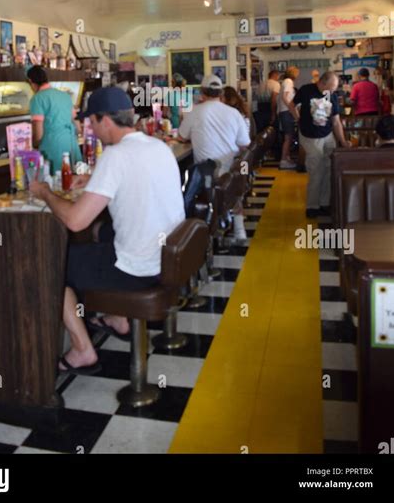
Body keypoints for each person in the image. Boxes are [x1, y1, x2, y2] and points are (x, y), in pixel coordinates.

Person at [30, 86, 185, 374]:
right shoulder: (156, 145)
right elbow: (134, 180)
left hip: (140, 268)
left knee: (51, 264)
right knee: (103, 231)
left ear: (105, 120)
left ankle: (82, 350)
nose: (89, 127)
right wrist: (92, 178)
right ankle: (118, 318)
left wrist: (45, 194)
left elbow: (75, 221)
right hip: (169, 258)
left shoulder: (115, 155)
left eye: (91, 121)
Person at [178, 75, 250, 238]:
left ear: (203, 92)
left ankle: (199, 230)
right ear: (221, 93)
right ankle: (239, 230)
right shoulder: (234, 113)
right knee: (233, 183)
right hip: (231, 174)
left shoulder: (195, 112)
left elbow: (182, 137)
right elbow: (245, 144)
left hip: (206, 177)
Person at [288, 71, 351, 218]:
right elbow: (291, 104)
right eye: (331, 87)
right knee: (316, 170)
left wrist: (342, 141)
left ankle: (324, 203)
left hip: (328, 135)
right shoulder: (306, 90)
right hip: (309, 136)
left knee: (329, 169)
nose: (334, 91)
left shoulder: (332, 96)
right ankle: (312, 206)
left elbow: (336, 121)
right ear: (322, 83)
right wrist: (298, 119)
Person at [27, 66, 82, 174]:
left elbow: (38, 135)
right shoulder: (64, 95)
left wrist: (34, 146)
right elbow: (76, 125)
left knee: (56, 185)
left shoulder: (37, 99)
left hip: (54, 148)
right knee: (75, 183)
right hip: (71, 145)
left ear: (30, 81)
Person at [277, 66, 300, 169]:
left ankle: (287, 158)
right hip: (286, 111)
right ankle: (283, 160)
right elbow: (285, 97)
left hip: (285, 111)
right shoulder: (288, 81)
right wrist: (292, 109)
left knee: (289, 136)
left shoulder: (286, 81)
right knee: (288, 137)